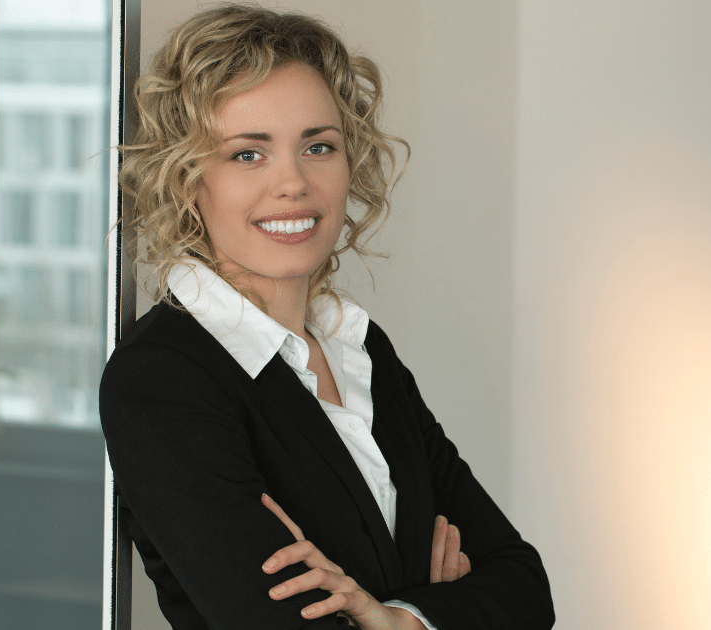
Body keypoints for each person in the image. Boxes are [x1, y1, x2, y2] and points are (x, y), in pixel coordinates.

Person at [100, 4, 553, 629]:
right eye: (247, 154)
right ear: (186, 179)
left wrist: (395, 619)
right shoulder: (163, 378)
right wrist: (440, 608)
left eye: (318, 146)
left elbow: (525, 587)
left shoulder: (359, 350)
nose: (294, 182)